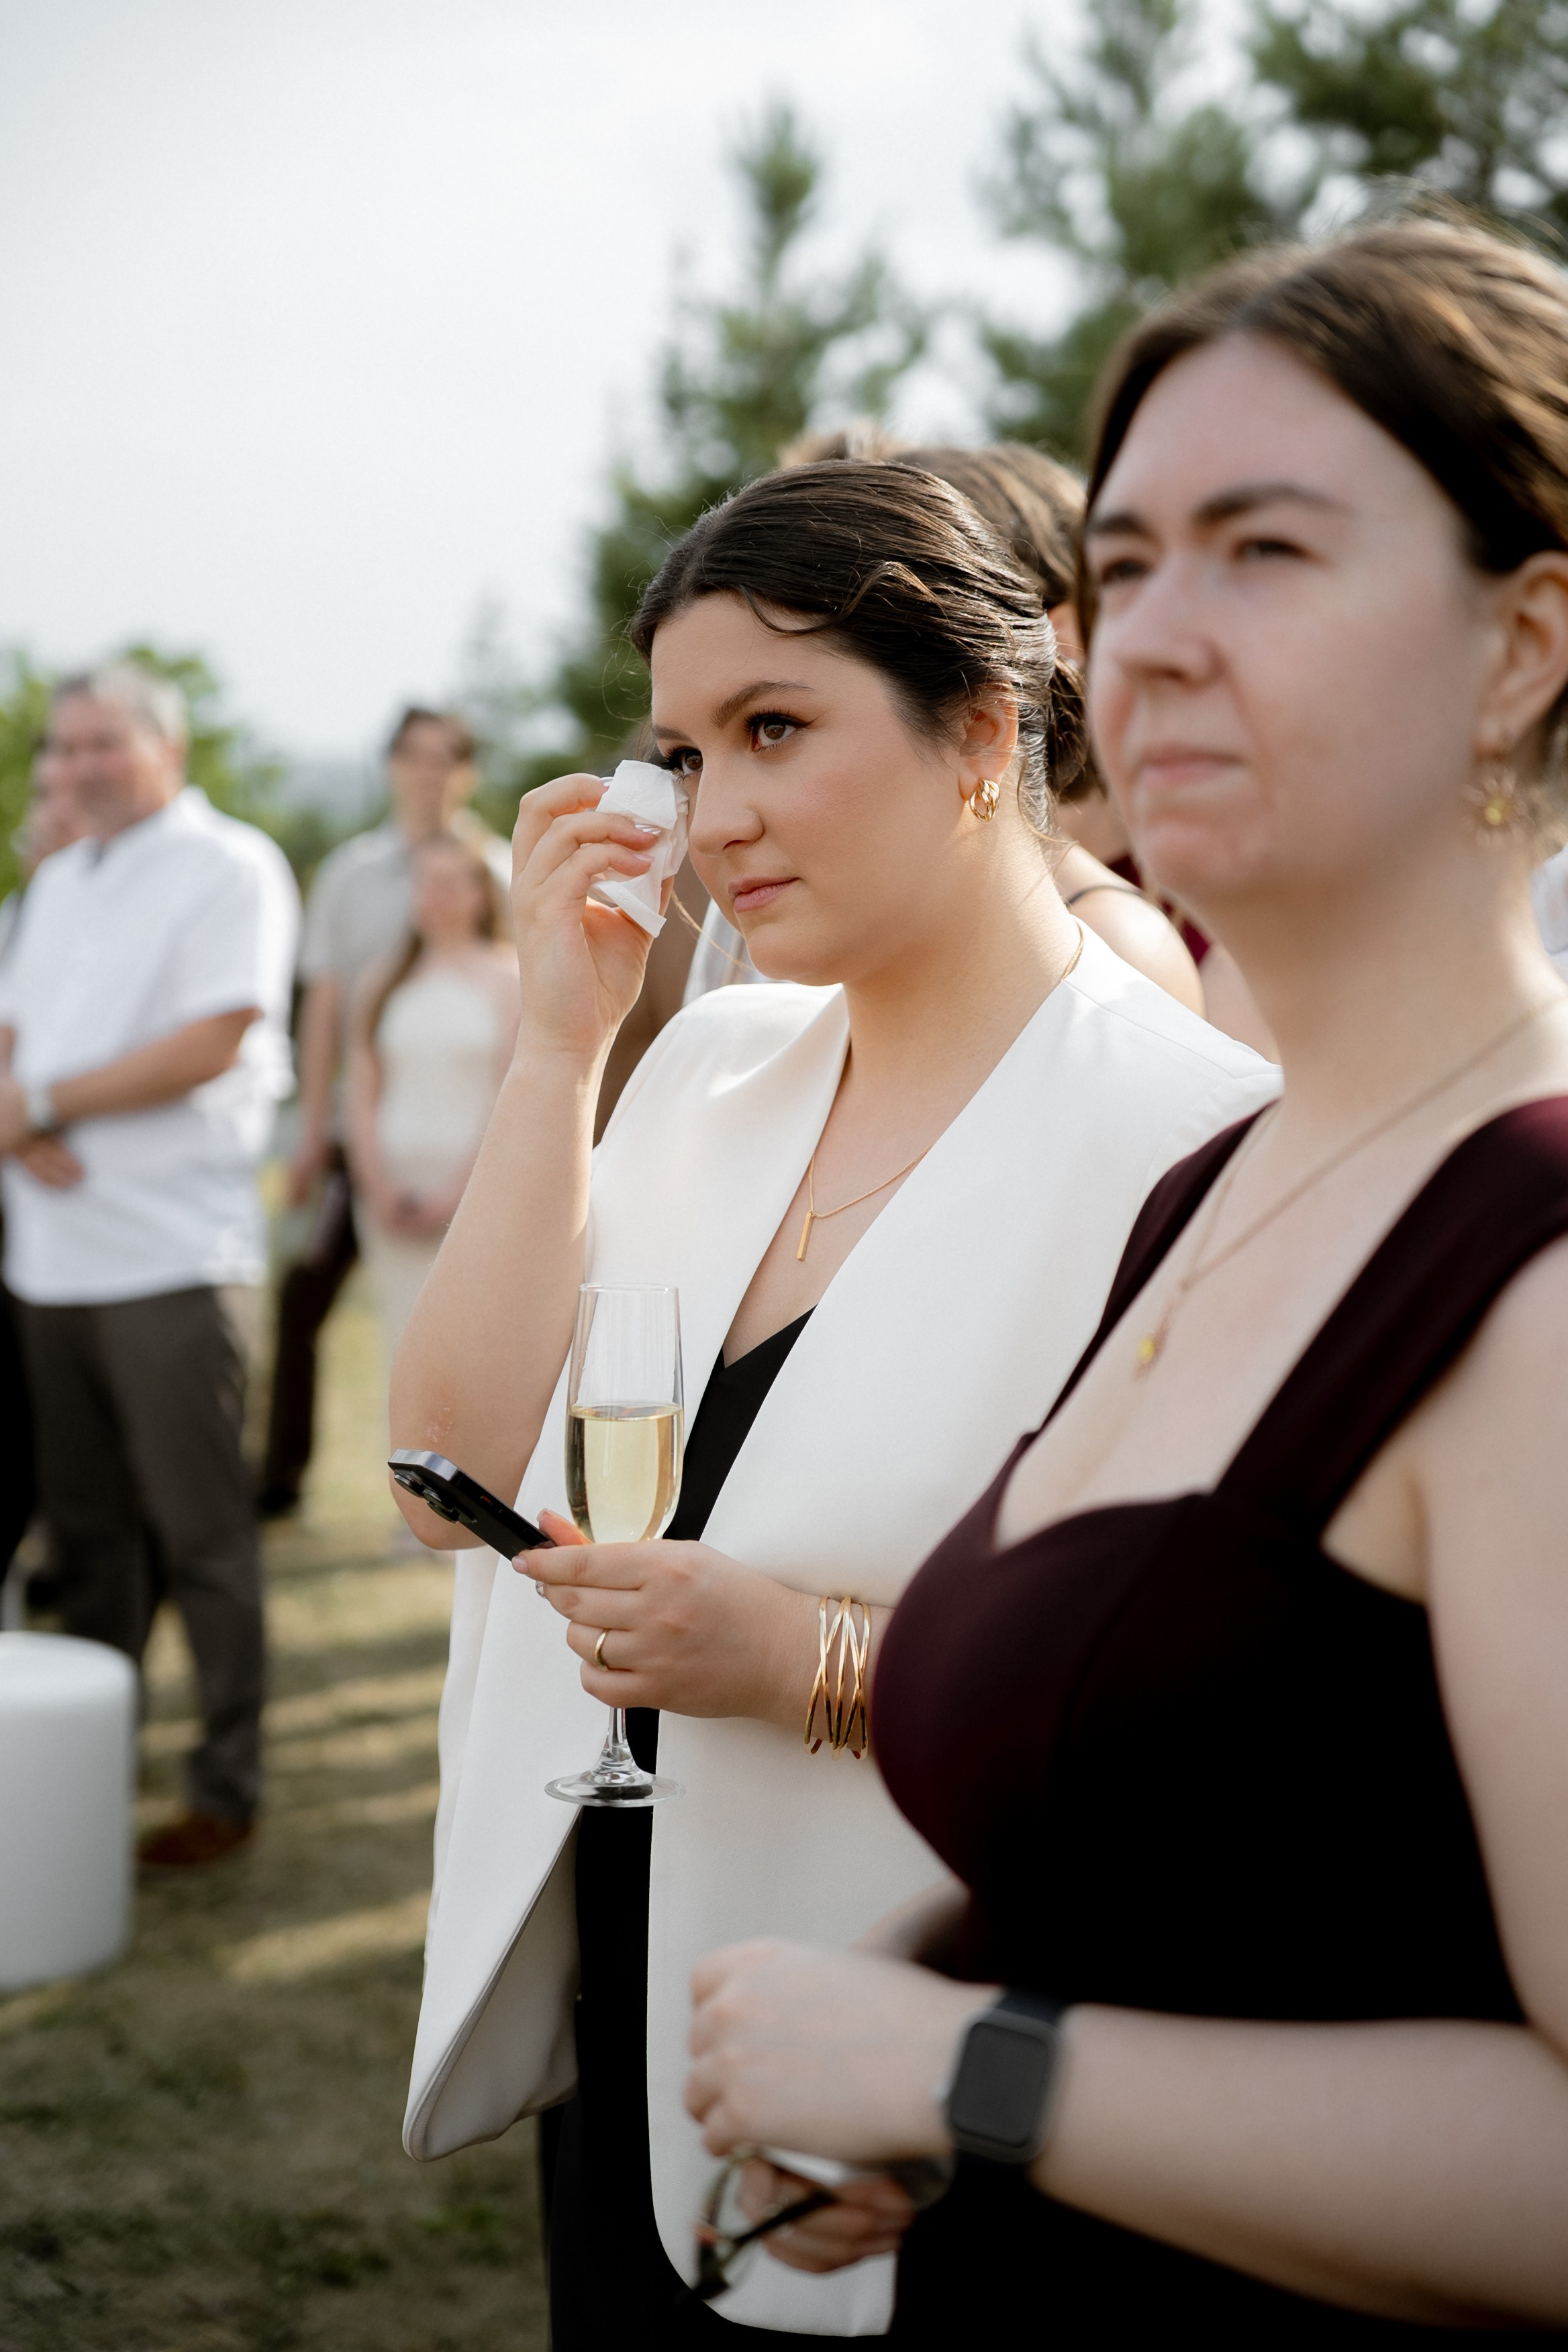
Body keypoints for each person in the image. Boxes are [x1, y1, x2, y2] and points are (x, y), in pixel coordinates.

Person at [684, 217, 1568, 2337]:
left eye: (1261, 551)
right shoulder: (1215, 1188)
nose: (1149, 639)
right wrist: (930, 2049)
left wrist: (973, 2071)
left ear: (1524, 643)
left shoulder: (1537, 1273)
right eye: (1133, 559)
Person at [391, 460, 1277, 2341]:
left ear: (977, 733)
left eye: (773, 729)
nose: (714, 813)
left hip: (906, 2030)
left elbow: (1193, 1733)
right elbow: (438, 1477)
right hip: (631, 1978)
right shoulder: (705, 1060)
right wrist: (561, 1042)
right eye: (687, 753)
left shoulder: (1189, 1143)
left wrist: (810, 1660)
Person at [0, 663, 298, 1867]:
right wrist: (17, 1113)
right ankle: (86, 1763)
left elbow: (218, 1032)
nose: (75, 768)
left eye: (101, 745)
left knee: (202, 1535)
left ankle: (226, 1782)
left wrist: (43, 1105)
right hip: (49, 1261)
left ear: (164, 747)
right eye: (63, 748)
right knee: (87, 1540)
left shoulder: (232, 865)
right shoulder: (59, 876)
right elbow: (14, 1030)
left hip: (173, 1255)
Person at [683, 441, 1209, 1021]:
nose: (710, 826)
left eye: (775, 727)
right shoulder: (767, 983)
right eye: (685, 758)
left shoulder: (1115, 953)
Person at [258, 705, 508, 1514]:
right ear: (392, 767)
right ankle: (282, 1478)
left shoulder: (497, 868)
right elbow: (325, 1007)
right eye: (413, 757)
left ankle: (470, 1480)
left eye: (445, 759)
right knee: (303, 1295)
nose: (428, 774)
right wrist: (312, 1130)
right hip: (359, 1129)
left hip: (465, 1138)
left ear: (465, 772)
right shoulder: (349, 873)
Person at [346, 832, 519, 1356]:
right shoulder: (383, 979)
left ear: (480, 894)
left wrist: (456, 1197)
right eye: (426, 883)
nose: (434, 895)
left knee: (464, 1351)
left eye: (449, 883)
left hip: (473, 1197)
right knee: (400, 1347)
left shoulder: (510, 978)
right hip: (392, 1197)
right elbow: (362, 1090)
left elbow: (507, 1097)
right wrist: (377, 1186)